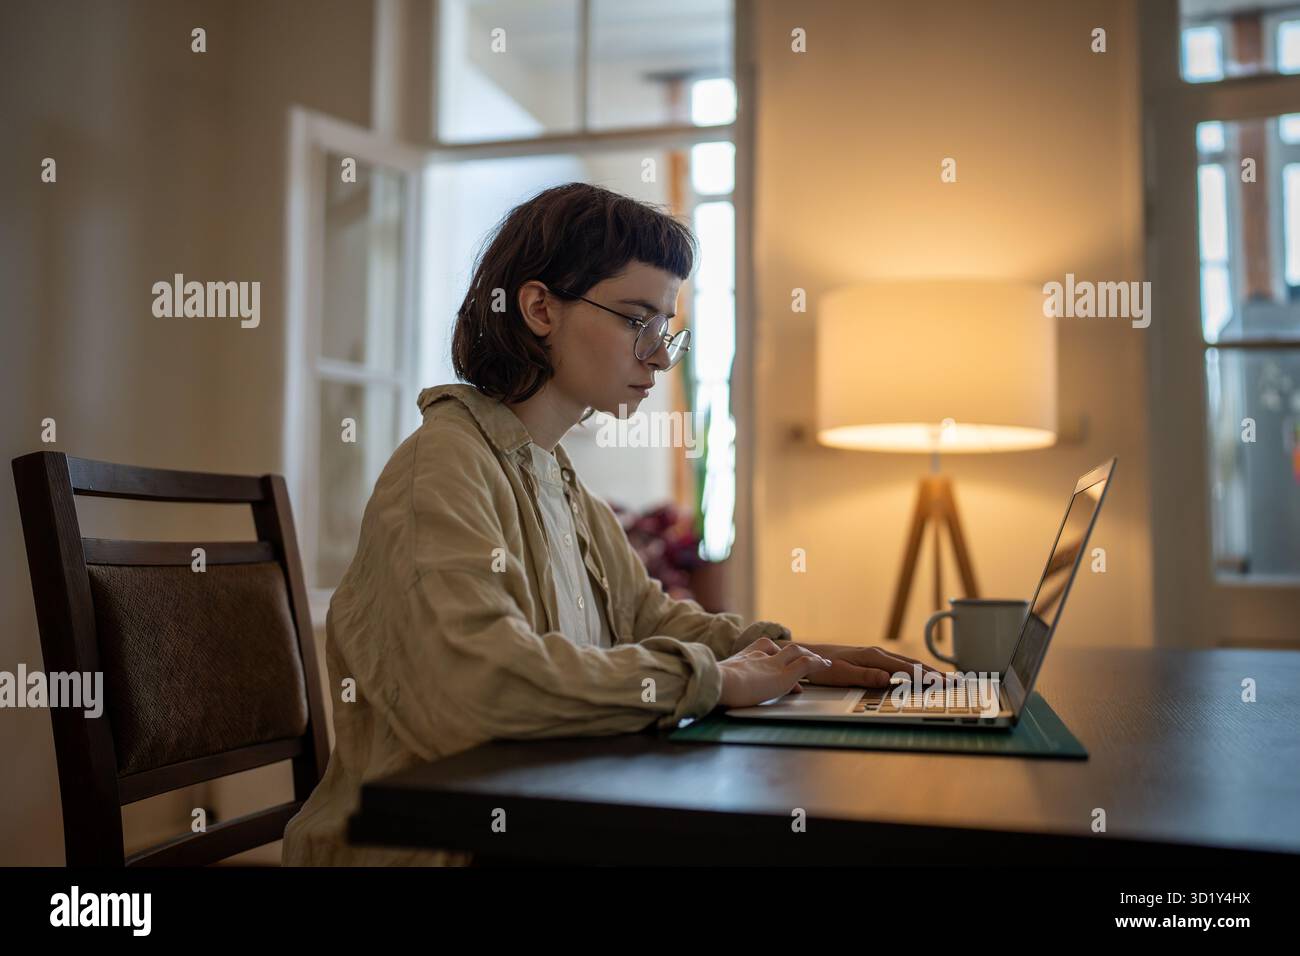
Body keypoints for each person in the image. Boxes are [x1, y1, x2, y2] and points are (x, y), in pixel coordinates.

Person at [281, 182, 941, 866]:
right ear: (539, 308)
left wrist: (802, 655)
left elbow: (650, 618)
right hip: (432, 849)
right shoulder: (444, 467)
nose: (657, 356)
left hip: (533, 814)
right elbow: (478, 688)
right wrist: (714, 680)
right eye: (636, 320)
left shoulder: (559, 482)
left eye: (666, 332)